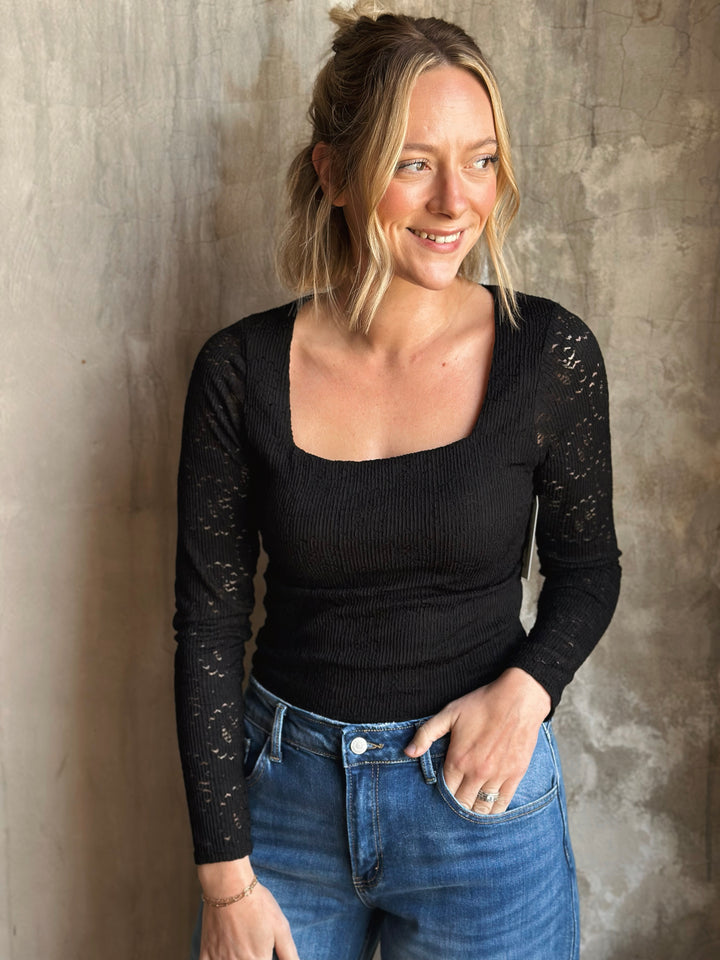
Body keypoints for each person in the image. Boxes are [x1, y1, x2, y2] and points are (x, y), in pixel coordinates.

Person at [173, 4, 621, 959]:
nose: (458, 201)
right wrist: (223, 879)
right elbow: (208, 624)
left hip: (481, 805)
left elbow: (588, 570)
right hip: (282, 810)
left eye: (483, 159)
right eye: (414, 162)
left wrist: (527, 693)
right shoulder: (240, 369)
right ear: (334, 173)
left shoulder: (549, 354)